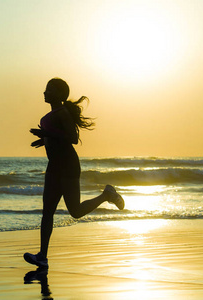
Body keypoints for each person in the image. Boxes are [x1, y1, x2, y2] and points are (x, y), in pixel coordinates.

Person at [24, 78, 124, 269]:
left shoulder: (63, 113)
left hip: (68, 165)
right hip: (53, 167)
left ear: (59, 94)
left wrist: (47, 135)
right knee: (47, 212)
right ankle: (42, 257)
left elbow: (73, 138)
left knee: (75, 211)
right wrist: (43, 139)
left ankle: (106, 195)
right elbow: (54, 136)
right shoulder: (49, 115)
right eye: (45, 88)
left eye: (49, 89)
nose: (44, 92)